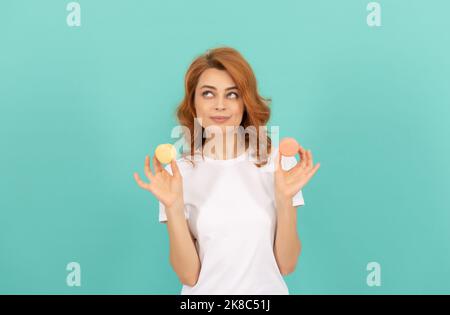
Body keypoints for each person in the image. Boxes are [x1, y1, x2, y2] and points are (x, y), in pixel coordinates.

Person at [134, 47, 320, 294]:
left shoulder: (276, 163)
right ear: (193, 103)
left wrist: (285, 200)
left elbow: (287, 265)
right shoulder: (178, 173)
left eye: (232, 95)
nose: (219, 105)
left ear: (245, 103)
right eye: (208, 94)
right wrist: (173, 207)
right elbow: (188, 275)